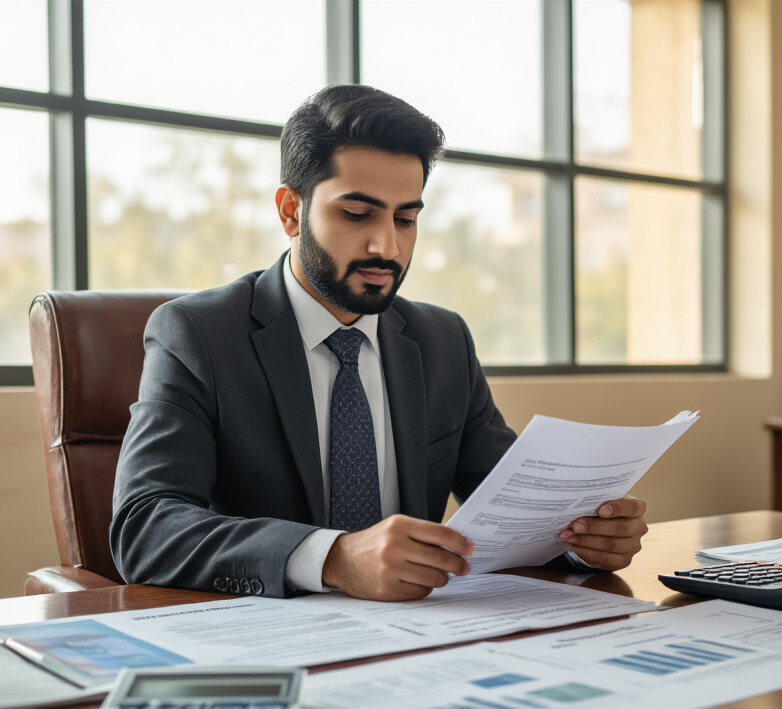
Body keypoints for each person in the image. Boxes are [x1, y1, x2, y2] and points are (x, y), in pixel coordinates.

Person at [111, 85, 648, 602]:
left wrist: (583, 542)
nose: (386, 246)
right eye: (357, 214)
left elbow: (518, 512)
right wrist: (334, 558)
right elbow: (146, 526)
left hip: (424, 639)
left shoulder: (443, 342)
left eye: (406, 218)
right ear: (290, 211)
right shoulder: (199, 334)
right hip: (270, 638)